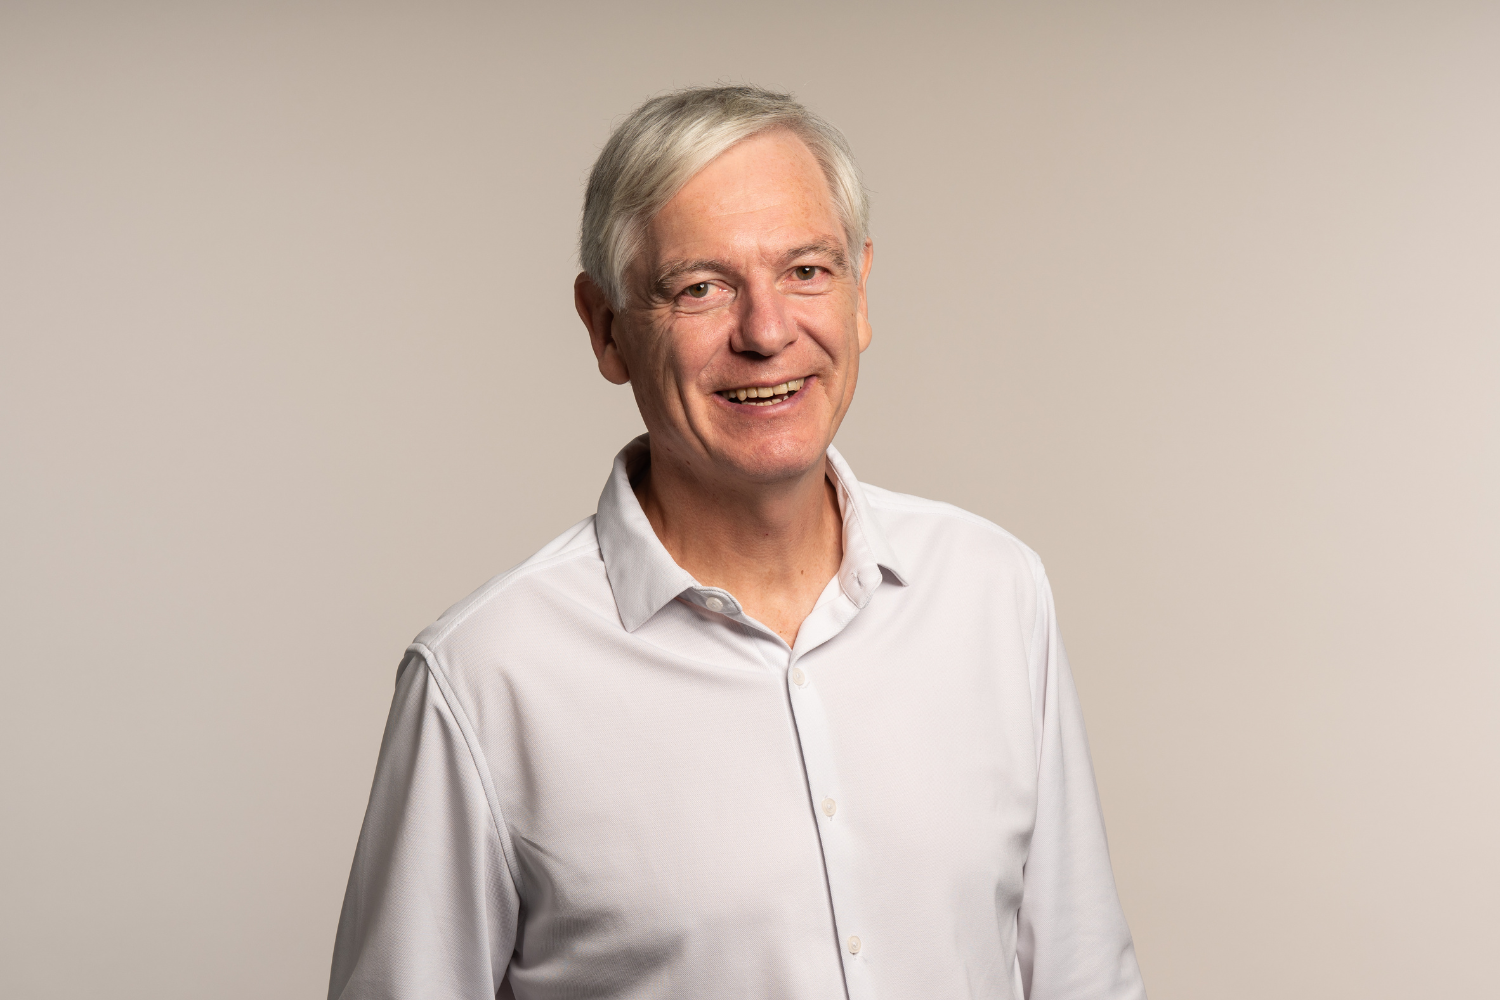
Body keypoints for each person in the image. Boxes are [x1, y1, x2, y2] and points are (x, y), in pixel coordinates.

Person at [329, 85, 1147, 1000]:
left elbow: (1081, 975)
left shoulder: (994, 590)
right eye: (701, 288)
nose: (766, 332)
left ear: (861, 292)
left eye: (806, 271)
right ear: (605, 329)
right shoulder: (484, 679)